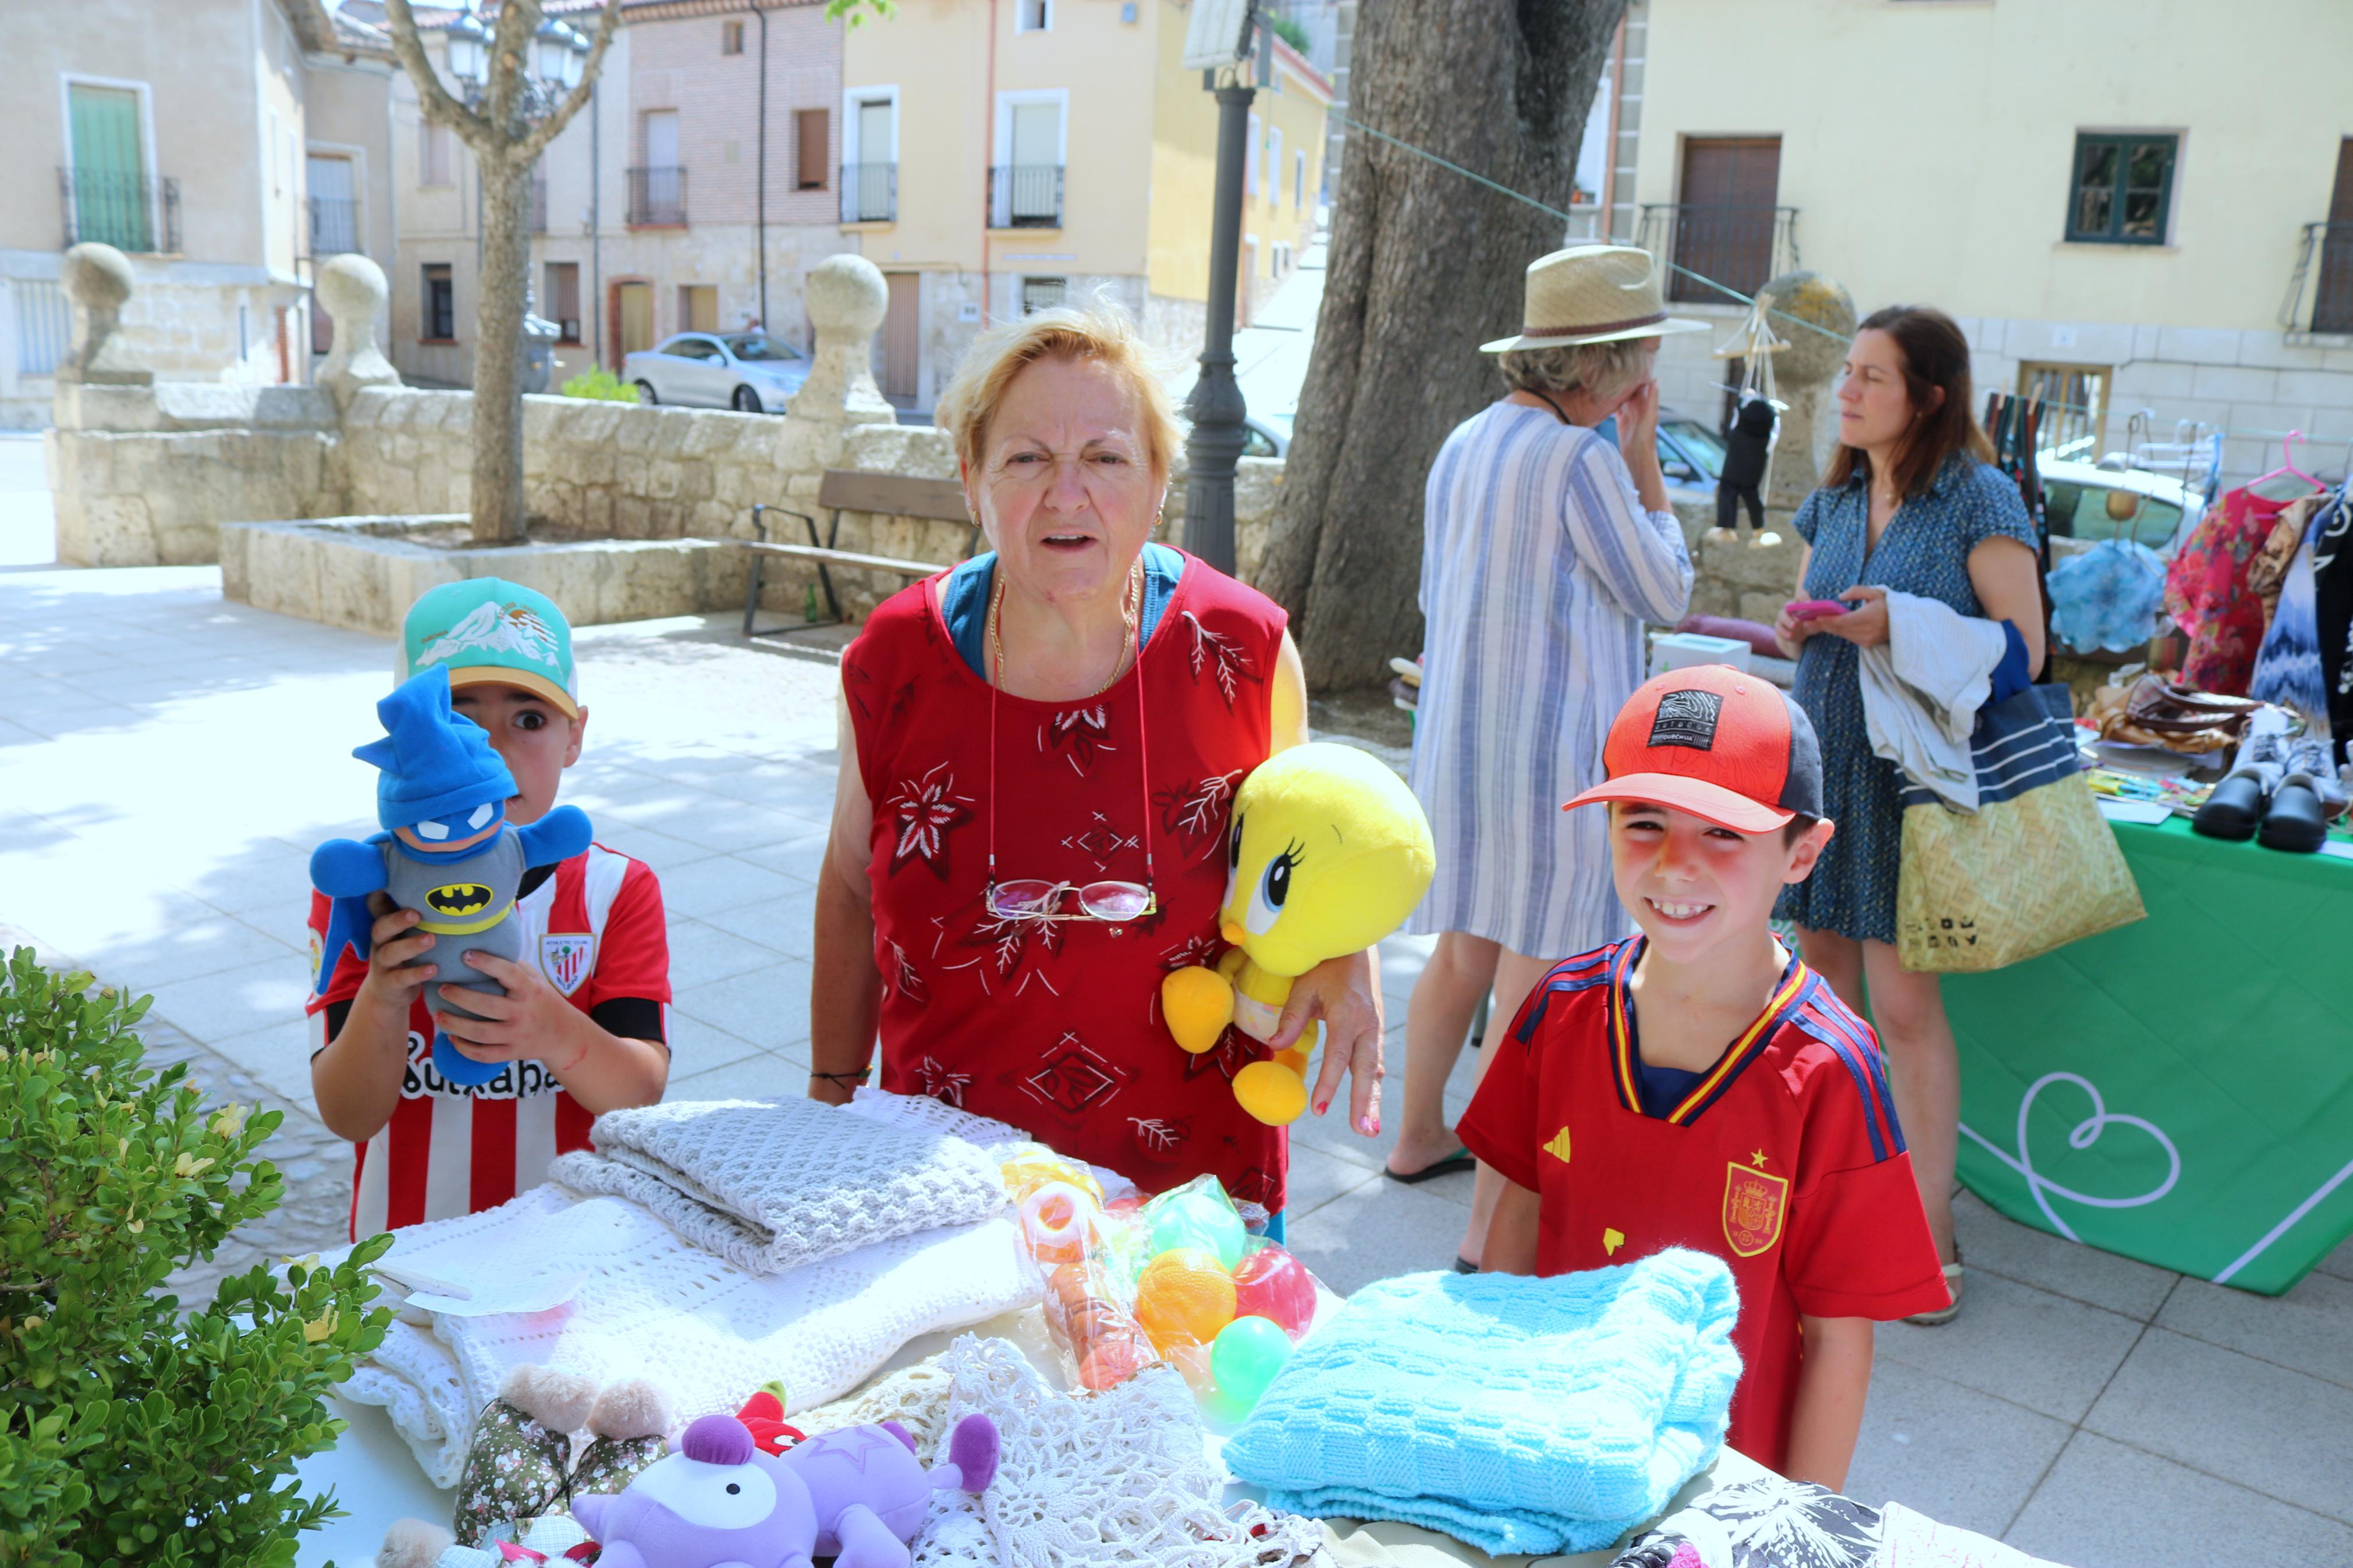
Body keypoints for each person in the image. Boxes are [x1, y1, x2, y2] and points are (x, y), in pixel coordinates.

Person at [810, 304, 1384, 1229]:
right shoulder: (894, 657)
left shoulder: (1241, 647)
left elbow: (1316, 845)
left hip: (1192, 1188)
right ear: (972, 478)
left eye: (1107, 457)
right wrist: (828, 1095)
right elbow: (846, 882)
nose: (1065, 493)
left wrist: (1349, 953)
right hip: (945, 1179)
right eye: (1026, 457)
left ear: (1159, 481)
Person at [1463, 665, 1949, 1487]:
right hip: (1548, 1442)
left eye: (1722, 832)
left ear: (1801, 851)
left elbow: (1838, 1334)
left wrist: (1797, 1521)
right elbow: (1519, 1207)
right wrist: (1489, 1400)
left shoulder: (1832, 1067)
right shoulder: (1562, 1005)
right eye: (1643, 821)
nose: (1673, 864)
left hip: (1718, 1483)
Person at [1382, 245, 1701, 1272]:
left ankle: (1414, 1133)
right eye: (1642, 357)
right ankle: (1489, 1226)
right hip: (1552, 753)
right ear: (1605, 371)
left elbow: (1436, 596)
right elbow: (1664, 593)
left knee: (1464, 949)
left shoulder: (1465, 441)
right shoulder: (1582, 460)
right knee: (1534, 976)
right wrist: (1646, 464)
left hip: (1463, 737)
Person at [1769, 305, 2045, 1323]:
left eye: (1870, 376)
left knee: (1905, 1014)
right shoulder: (1834, 495)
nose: (1845, 390)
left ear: (1927, 395)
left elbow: (2025, 650)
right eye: (1845, 372)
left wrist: (1903, 625)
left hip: (1914, 791)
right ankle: (1823, 1205)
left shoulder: (1978, 496)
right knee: (1819, 1006)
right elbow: (1805, 613)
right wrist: (1809, 622)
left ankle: (1927, 1229)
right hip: (1820, 773)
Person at [307, 579, 672, 1235]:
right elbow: (346, 1113)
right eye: (458, 721)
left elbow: (640, 1095)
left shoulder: (617, 888)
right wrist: (384, 998)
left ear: (574, 735)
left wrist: (552, 1029)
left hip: (572, 1242)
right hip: (407, 1248)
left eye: (528, 719)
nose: (493, 753)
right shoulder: (361, 892)